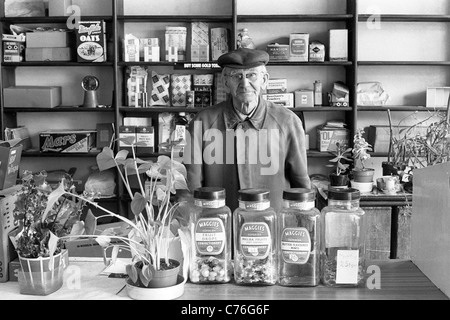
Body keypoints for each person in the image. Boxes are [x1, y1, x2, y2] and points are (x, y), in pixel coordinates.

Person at [183, 48, 311, 212]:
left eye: (252, 75)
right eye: (237, 76)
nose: (244, 84)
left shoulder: (288, 122)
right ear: (225, 82)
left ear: (264, 80)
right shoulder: (202, 122)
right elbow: (190, 186)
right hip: (219, 227)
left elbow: (301, 184)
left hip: (273, 227)